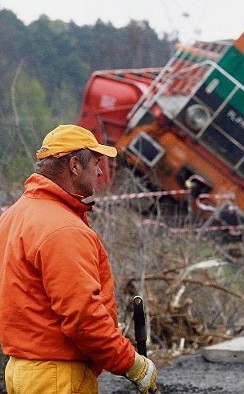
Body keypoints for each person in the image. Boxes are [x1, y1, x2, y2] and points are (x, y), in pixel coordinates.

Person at [0, 125, 157, 393]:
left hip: (22, 370)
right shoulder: (63, 229)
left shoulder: (15, 215)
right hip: (57, 377)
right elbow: (83, 317)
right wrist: (131, 363)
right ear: (74, 166)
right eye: (96, 163)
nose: (99, 171)